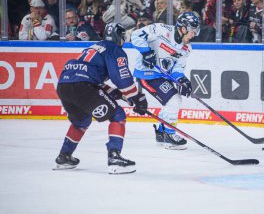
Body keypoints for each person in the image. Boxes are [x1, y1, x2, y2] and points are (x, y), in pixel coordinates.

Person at [53, 22, 148, 174]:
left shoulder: (94, 47)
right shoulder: (114, 49)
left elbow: (94, 84)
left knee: (81, 121)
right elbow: (121, 78)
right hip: (83, 86)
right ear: (119, 37)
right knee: (117, 115)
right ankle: (114, 157)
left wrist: (122, 95)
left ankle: (64, 156)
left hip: (64, 85)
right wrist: (136, 98)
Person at [130, 12, 200, 150]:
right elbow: (135, 35)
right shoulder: (160, 29)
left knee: (172, 102)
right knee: (174, 100)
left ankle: (162, 133)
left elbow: (178, 68)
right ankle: (169, 135)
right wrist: (145, 51)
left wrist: (182, 80)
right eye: (192, 32)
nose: (194, 35)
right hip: (147, 74)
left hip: (161, 76)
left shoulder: (186, 48)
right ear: (183, 28)